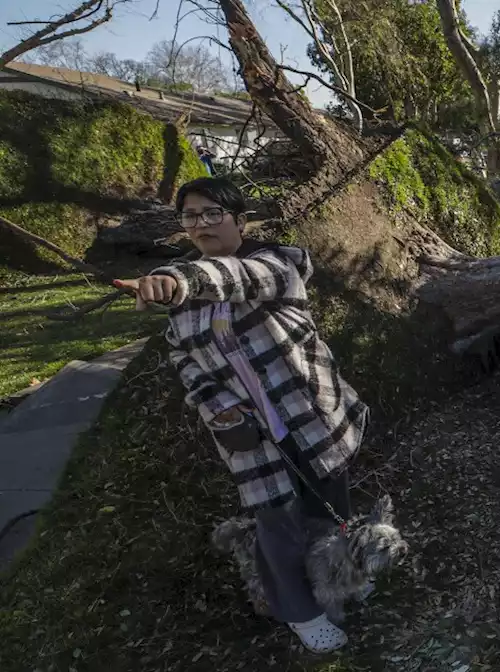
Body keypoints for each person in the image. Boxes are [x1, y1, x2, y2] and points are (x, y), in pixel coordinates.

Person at [112, 177, 369, 654]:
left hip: (310, 416)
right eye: (190, 217)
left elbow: (236, 279)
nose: (201, 224)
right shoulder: (182, 306)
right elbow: (185, 362)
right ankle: (302, 612)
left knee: (329, 512)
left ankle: (342, 579)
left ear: (240, 220)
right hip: (249, 436)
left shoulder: (279, 264)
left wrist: (180, 281)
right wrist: (219, 409)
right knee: (277, 525)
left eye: (213, 213)